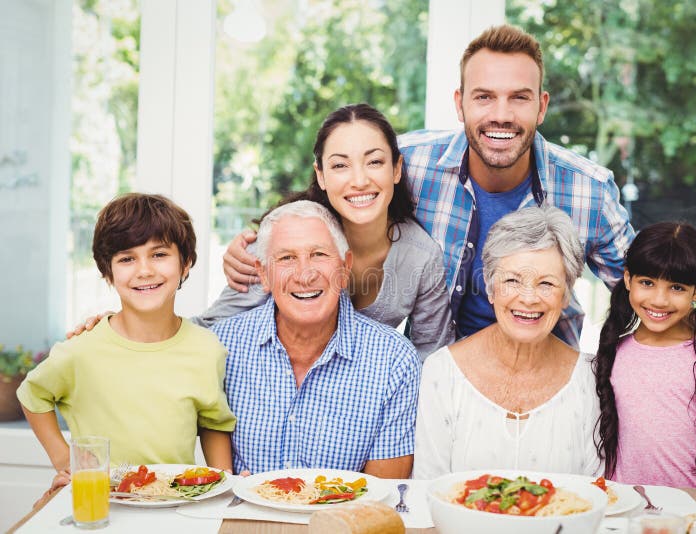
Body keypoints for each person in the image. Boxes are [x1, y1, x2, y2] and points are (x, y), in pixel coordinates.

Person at [221, 25, 696, 392]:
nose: (501, 114)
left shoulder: (587, 189)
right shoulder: (410, 162)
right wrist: (252, 247)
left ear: (542, 105)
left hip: (543, 374)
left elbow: (650, 283)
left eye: (519, 97)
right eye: (484, 97)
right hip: (439, 378)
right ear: (460, 103)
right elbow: (329, 198)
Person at [200, 104, 453, 358]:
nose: (360, 180)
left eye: (374, 162)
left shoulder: (421, 257)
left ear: (396, 169)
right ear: (320, 175)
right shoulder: (286, 239)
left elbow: (432, 360)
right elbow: (209, 332)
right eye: (340, 166)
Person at [17, 194, 236, 484]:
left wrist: (224, 485)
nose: (144, 270)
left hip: (174, 509)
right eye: (127, 259)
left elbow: (213, 423)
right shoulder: (82, 350)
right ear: (108, 272)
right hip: (104, 509)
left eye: (159, 254)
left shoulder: (207, 349)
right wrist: (64, 459)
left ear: (185, 264)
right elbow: (32, 395)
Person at [210, 200, 421, 477]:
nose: (305, 274)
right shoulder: (223, 345)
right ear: (263, 273)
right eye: (286, 258)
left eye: (319, 255)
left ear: (345, 268)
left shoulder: (395, 361)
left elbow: (382, 495)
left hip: (343, 519)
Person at [413, 206, 600, 479]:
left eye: (546, 284)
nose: (528, 298)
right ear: (490, 287)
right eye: (512, 280)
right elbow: (428, 493)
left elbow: (597, 496)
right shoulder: (442, 371)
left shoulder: (590, 378)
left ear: (566, 295)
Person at [593, 222, 696, 503]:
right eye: (647, 283)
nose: (659, 300)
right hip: (625, 512)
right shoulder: (614, 353)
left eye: (676, 287)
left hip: (694, 515)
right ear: (628, 280)